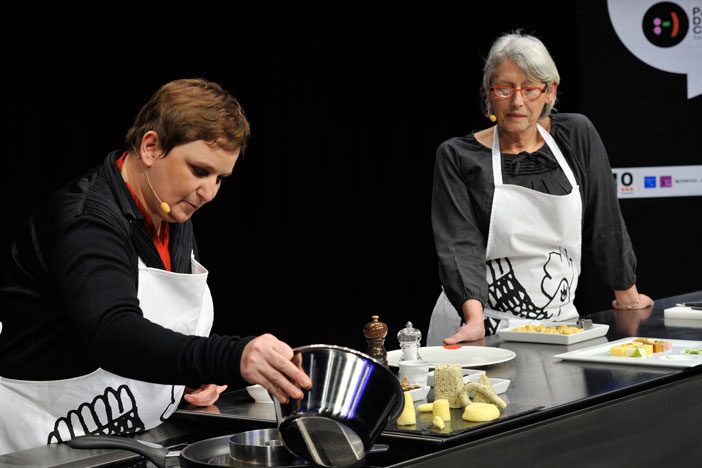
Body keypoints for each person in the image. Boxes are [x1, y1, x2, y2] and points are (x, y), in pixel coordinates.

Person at [0, 78, 310, 454]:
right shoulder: (85, 221)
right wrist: (230, 358)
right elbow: (113, 334)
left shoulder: (171, 214)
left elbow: (158, 330)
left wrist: (183, 382)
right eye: (199, 171)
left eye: (220, 179)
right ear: (151, 147)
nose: (209, 192)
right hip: (43, 444)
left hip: (126, 439)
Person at [427, 32, 653, 346]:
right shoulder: (457, 156)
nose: (517, 101)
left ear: (550, 92)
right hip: (480, 329)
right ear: (488, 91)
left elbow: (605, 221)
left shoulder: (576, 136)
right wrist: (474, 320)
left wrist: (627, 295)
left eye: (530, 89)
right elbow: (459, 245)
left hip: (559, 328)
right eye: (505, 89)